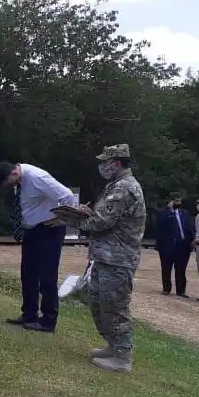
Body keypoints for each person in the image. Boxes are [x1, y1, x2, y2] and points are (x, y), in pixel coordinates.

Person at [58, 144, 145, 373]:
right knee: (98, 301)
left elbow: (102, 222)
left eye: (105, 162)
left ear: (115, 163)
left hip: (118, 259)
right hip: (106, 256)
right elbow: (104, 217)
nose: (102, 166)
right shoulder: (115, 185)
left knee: (115, 306)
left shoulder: (124, 188)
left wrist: (73, 219)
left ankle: (122, 357)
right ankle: (113, 346)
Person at [0, 159, 75, 333]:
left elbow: (67, 195)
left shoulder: (37, 177)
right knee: (28, 273)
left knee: (47, 276)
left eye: (6, 182)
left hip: (49, 230)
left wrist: (59, 219)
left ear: (13, 173)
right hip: (32, 230)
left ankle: (48, 320)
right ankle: (29, 314)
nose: (6, 186)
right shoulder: (20, 180)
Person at [155, 192, 194, 297]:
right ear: (171, 201)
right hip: (167, 245)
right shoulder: (162, 212)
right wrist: (171, 212)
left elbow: (189, 227)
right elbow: (160, 225)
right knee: (166, 267)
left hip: (183, 245)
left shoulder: (185, 213)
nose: (178, 203)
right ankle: (166, 288)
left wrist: (191, 239)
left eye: (180, 201)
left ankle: (181, 291)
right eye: (176, 201)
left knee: (181, 269)